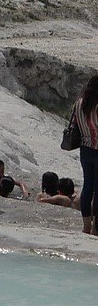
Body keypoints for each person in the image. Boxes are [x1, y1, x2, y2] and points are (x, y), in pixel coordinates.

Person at [73, 76, 98, 233]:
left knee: (88, 186)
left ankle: (86, 225)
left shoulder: (79, 103)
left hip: (85, 149)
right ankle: (96, 227)